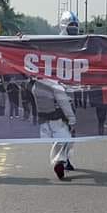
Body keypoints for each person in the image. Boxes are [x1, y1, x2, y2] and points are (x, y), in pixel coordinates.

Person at [39, 10, 80, 179]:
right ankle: (59, 160)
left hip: (76, 90)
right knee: (63, 128)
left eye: (76, 26)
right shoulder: (54, 44)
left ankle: (66, 158)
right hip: (58, 90)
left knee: (72, 129)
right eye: (71, 25)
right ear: (64, 26)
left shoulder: (81, 43)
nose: (74, 29)